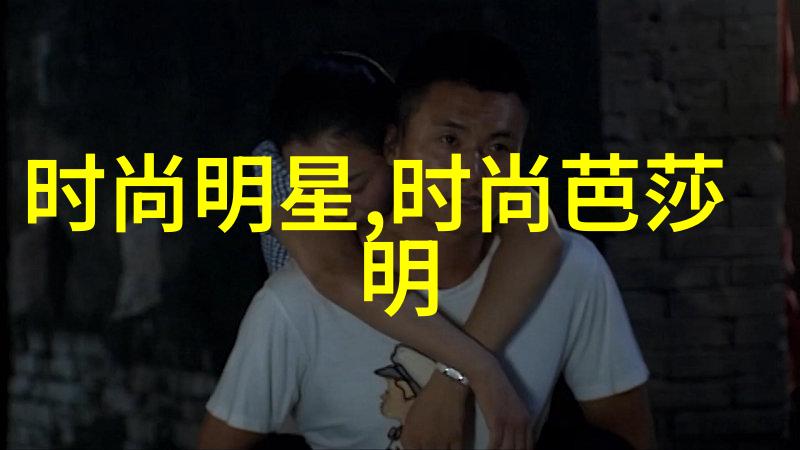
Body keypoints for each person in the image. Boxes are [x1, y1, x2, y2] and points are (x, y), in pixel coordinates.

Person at [199, 32, 655, 449]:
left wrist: (455, 378)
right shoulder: (291, 255)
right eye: (448, 141)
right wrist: (478, 369)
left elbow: (540, 235)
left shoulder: (556, 252)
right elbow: (332, 271)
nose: (471, 172)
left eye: (498, 148)